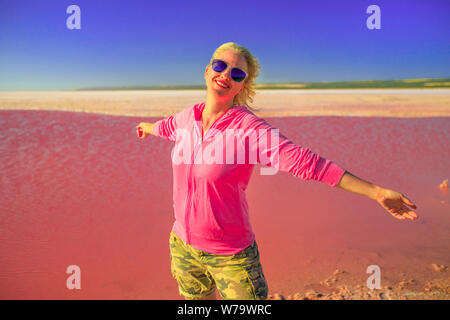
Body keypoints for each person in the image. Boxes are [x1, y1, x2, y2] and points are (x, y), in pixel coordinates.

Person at [135, 42, 418, 300]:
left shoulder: (250, 129)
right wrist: (146, 128)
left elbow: (308, 163)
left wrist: (376, 192)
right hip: (183, 245)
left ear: (242, 87)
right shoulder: (187, 118)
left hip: (231, 256)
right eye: (220, 66)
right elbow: (166, 127)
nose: (226, 74)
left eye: (237, 74)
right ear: (207, 70)